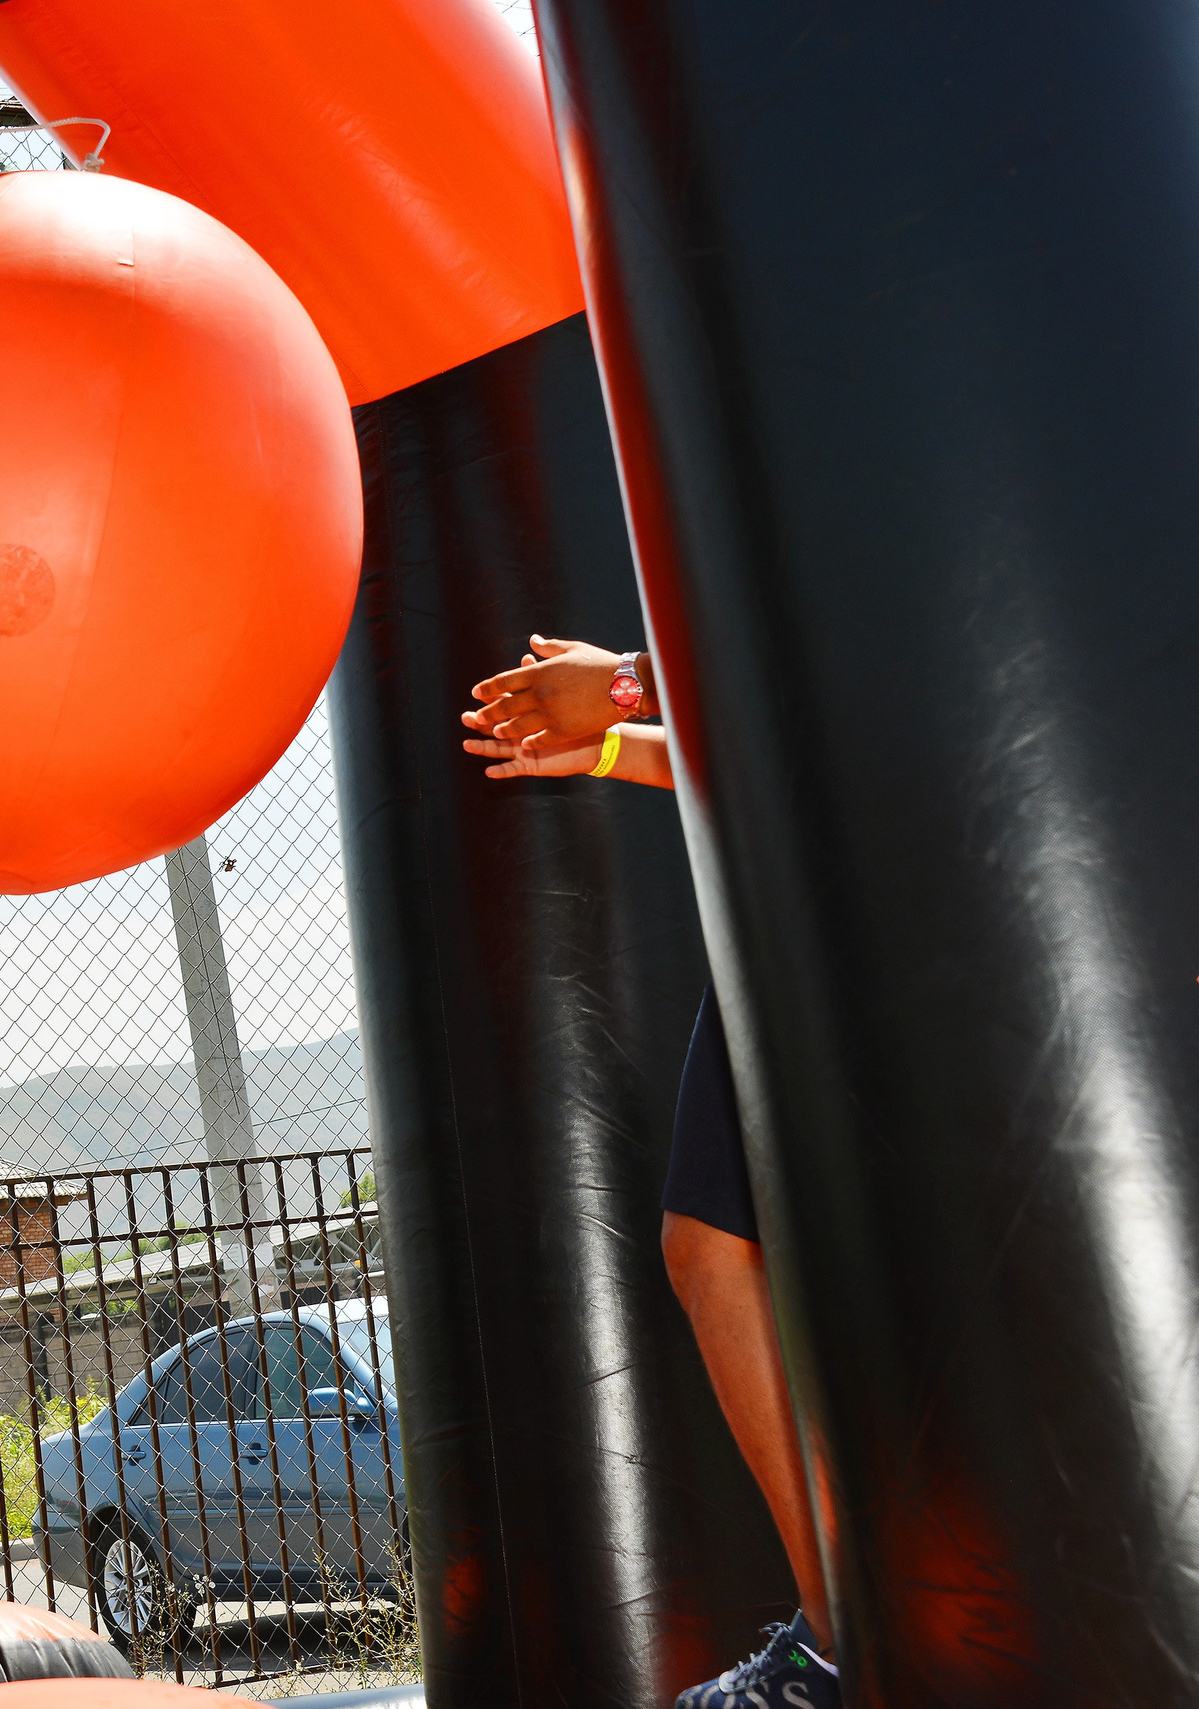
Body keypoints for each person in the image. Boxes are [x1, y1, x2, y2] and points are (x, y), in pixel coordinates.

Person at [463, 636, 842, 1709]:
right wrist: (610, 740)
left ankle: (840, 1638)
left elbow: (864, 652)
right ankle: (836, 1637)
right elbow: (790, 736)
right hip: (804, 893)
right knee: (708, 1246)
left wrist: (629, 678)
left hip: (927, 868)